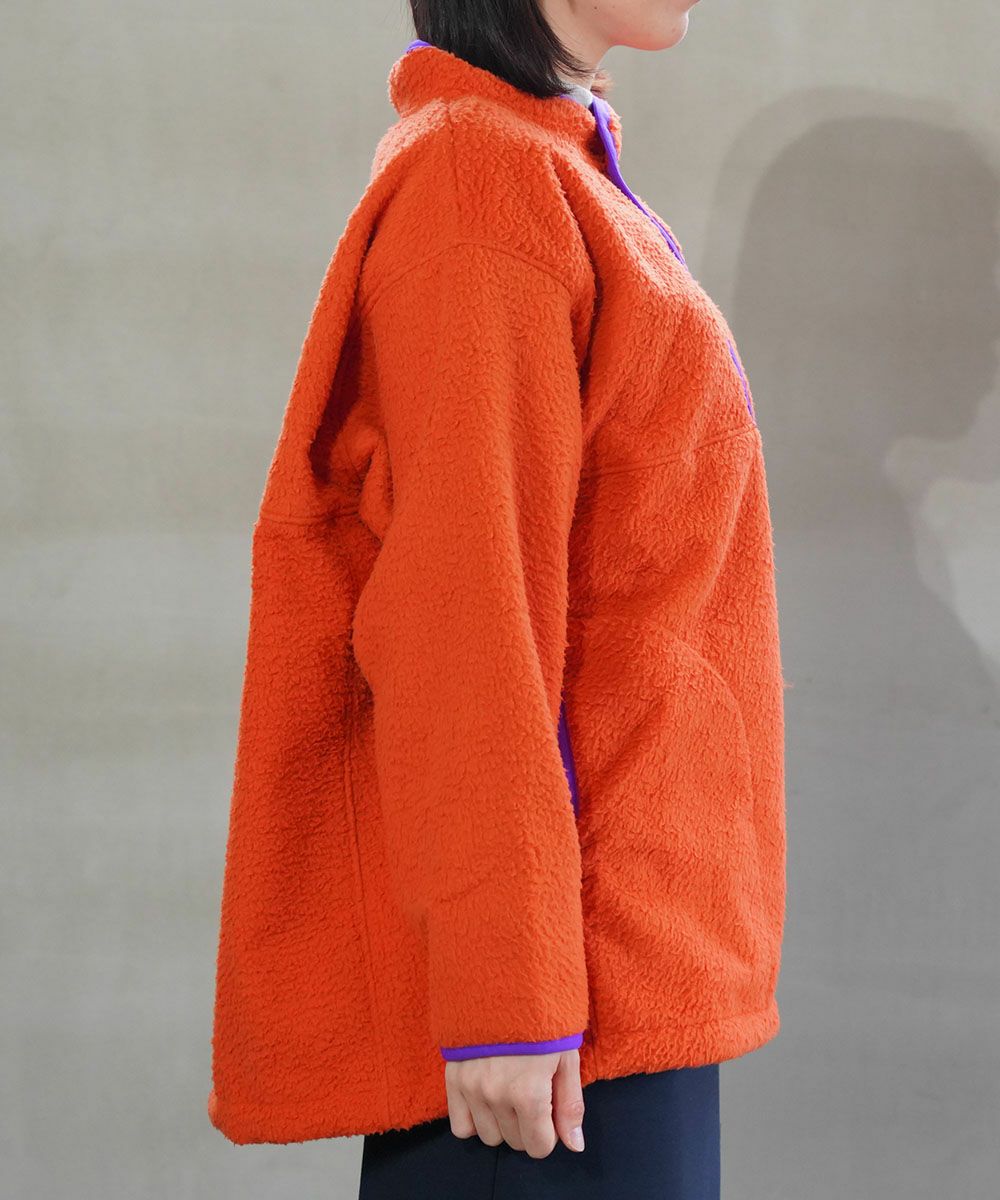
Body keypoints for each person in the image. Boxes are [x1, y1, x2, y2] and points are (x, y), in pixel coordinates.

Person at [207, 3, 787, 1197]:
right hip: (558, 1017)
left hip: (617, 969)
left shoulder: (546, 162)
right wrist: (504, 993)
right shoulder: (481, 183)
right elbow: (462, 610)